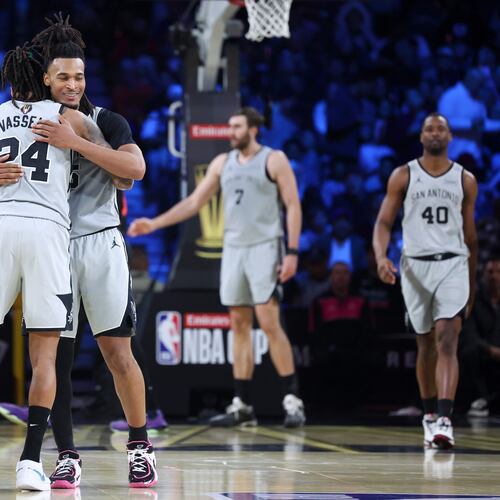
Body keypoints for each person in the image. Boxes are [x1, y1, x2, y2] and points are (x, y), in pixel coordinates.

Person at [0, 17, 159, 489]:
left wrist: (79, 143)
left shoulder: (103, 120)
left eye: (80, 76)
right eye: (64, 76)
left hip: (99, 240)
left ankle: (139, 442)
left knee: (117, 352)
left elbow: (133, 169)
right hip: (51, 243)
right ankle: (66, 454)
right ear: (46, 77)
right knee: (57, 360)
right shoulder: (28, 118)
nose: (73, 84)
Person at [128, 107, 306, 428]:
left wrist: (292, 252)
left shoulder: (273, 159)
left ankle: (291, 399)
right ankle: (243, 404)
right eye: (230, 126)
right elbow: (194, 203)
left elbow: (293, 205)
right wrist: (153, 224)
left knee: (268, 321)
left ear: (253, 129)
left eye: (237, 127)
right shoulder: (222, 163)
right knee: (238, 324)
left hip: (265, 246)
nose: (231, 132)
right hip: (234, 248)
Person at [0, 42, 111, 491]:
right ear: (44, 77)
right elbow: (123, 171)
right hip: (49, 233)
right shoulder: (70, 117)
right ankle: (30, 462)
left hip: (2, 224)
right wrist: (81, 141)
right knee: (45, 354)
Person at [373, 112, 478, 449]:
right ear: (421, 137)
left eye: (441, 128)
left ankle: (446, 419)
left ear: (450, 136)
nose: (435, 133)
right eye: (429, 129)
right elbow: (383, 224)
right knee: (425, 344)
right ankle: (429, 414)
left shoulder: (465, 179)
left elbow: (471, 237)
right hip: (415, 267)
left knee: (447, 337)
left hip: (453, 263)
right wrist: (380, 257)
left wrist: (472, 283)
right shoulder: (404, 175)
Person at [460, 255, 500, 417]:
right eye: (490, 272)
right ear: (483, 275)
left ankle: (488, 402)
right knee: (468, 351)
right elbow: (469, 334)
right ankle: (481, 400)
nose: (494, 276)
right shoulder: (473, 300)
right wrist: (491, 350)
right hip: (482, 351)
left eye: (498, 272)